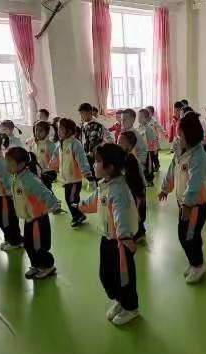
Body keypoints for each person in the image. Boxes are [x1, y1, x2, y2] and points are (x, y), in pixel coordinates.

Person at [77, 143, 140, 326]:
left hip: (120, 242)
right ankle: (120, 300)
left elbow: (121, 216)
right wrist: (81, 206)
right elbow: (96, 200)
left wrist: (126, 238)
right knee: (106, 275)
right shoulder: (105, 184)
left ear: (110, 167)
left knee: (124, 277)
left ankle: (131, 307)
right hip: (107, 238)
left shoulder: (118, 189)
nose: (93, 164)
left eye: (97, 161)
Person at [159, 112, 206, 284]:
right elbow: (172, 172)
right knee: (189, 236)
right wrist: (165, 188)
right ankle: (195, 261)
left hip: (195, 207)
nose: (177, 138)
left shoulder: (199, 157)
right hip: (184, 204)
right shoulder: (181, 151)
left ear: (191, 135)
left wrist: (187, 205)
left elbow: (194, 184)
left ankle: (198, 265)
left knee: (187, 236)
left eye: (180, 135)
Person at [6, 147, 62, 280]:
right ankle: (36, 265)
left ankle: (48, 266)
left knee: (39, 245)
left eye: (9, 162)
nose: (6, 165)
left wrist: (54, 206)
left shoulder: (30, 180)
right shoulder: (17, 176)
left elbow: (45, 193)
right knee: (29, 244)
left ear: (20, 164)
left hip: (38, 218)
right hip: (29, 217)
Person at [53, 118, 93, 227]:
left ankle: (78, 216)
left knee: (71, 199)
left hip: (75, 179)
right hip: (67, 178)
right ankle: (78, 215)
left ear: (70, 131)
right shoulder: (60, 144)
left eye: (61, 129)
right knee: (69, 199)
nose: (58, 131)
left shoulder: (75, 144)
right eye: (58, 129)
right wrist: (51, 168)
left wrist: (87, 173)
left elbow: (82, 159)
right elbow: (55, 158)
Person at [118, 130, 147, 242]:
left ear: (129, 146)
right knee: (132, 212)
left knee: (136, 212)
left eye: (121, 142)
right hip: (130, 190)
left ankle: (139, 233)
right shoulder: (123, 157)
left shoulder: (130, 159)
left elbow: (136, 181)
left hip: (137, 191)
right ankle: (139, 231)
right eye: (118, 140)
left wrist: (139, 196)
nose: (117, 143)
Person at [26, 120, 58, 191]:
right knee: (38, 188)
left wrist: (54, 171)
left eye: (40, 130)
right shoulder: (32, 142)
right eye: (36, 130)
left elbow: (55, 160)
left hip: (47, 172)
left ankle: (51, 200)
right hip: (35, 171)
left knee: (46, 188)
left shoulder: (50, 145)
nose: (37, 132)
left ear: (46, 132)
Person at [78, 103, 105, 178]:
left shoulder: (96, 125)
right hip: (87, 153)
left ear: (89, 113)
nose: (81, 116)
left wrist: (90, 153)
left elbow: (94, 141)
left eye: (82, 114)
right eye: (80, 114)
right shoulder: (84, 124)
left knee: (96, 176)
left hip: (94, 154)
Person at [137, 108, 159, 186]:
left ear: (146, 118)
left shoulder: (148, 129)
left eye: (141, 117)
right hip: (141, 151)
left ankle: (150, 180)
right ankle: (144, 179)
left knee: (149, 167)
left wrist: (155, 149)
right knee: (143, 166)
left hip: (148, 151)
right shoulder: (139, 128)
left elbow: (153, 140)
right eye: (138, 117)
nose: (139, 119)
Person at [146, 105, 163, 171]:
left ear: (152, 113)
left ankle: (157, 165)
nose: (147, 114)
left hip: (154, 140)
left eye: (148, 112)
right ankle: (151, 166)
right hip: (148, 141)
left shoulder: (153, 120)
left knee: (155, 154)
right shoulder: (145, 121)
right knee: (149, 154)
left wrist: (163, 131)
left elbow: (159, 126)